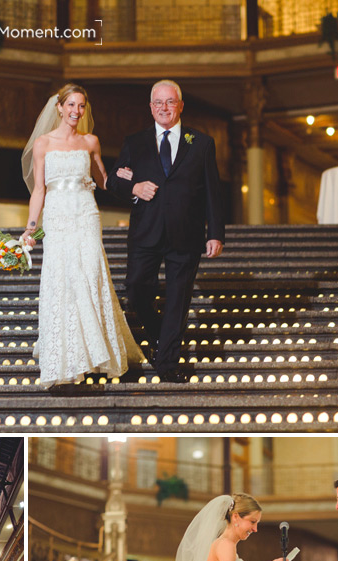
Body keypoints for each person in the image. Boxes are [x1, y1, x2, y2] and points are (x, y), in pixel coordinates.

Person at [20, 83, 144, 389]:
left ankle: (98, 353)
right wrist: (31, 226)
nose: (76, 111)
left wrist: (124, 176)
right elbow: (39, 189)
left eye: (81, 106)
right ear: (59, 107)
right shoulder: (43, 144)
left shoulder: (91, 141)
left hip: (86, 214)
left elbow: (102, 180)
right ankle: (68, 357)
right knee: (64, 280)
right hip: (57, 216)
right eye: (71, 105)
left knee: (90, 275)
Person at [107, 79, 225, 383]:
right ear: (150, 107)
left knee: (178, 299)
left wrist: (216, 233)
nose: (164, 107)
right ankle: (163, 335)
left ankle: (168, 364)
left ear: (180, 105)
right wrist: (134, 186)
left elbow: (213, 191)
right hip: (146, 232)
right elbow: (113, 183)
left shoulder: (201, 143)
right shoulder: (135, 142)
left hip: (186, 233)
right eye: (158, 102)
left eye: (170, 101)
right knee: (136, 289)